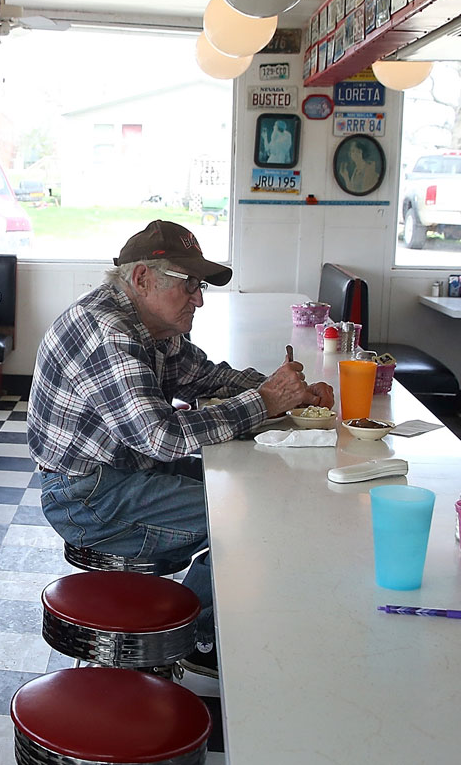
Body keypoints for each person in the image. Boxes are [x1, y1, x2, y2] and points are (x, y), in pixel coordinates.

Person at [26, 221, 333, 675]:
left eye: (200, 285)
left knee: (252, 491)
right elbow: (161, 436)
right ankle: (199, 637)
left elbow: (206, 376)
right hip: (86, 498)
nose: (200, 298)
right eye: (188, 285)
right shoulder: (109, 332)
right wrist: (267, 401)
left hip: (124, 473)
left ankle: (195, 622)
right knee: (245, 516)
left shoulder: (153, 325)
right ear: (142, 278)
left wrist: (285, 390)